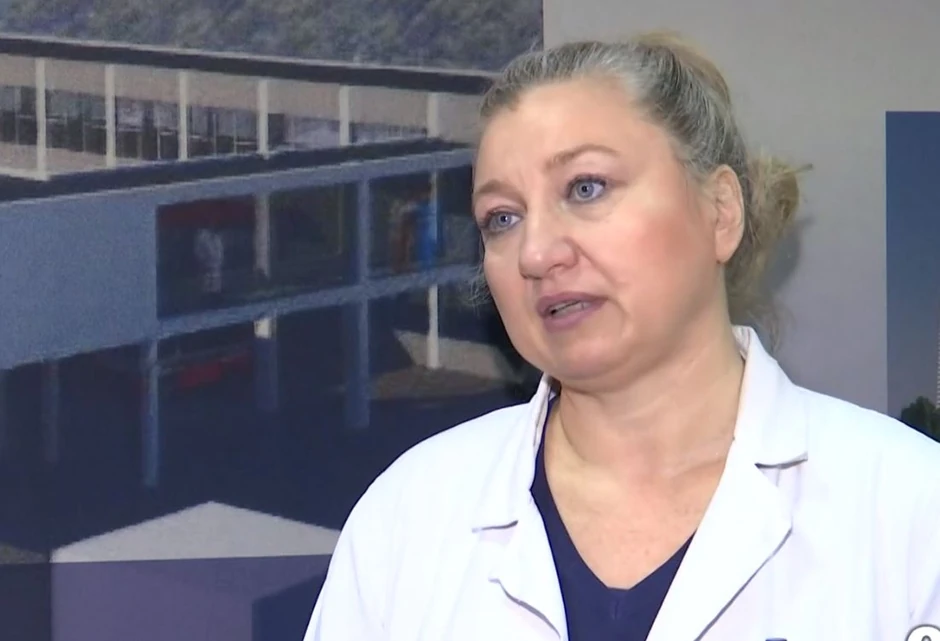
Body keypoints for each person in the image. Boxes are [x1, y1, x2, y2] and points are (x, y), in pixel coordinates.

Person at [304, 33, 940, 640]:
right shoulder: (410, 517)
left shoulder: (911, 509)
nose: (536, 252)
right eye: (502, 218)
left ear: (721, 211)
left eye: (586, 188)